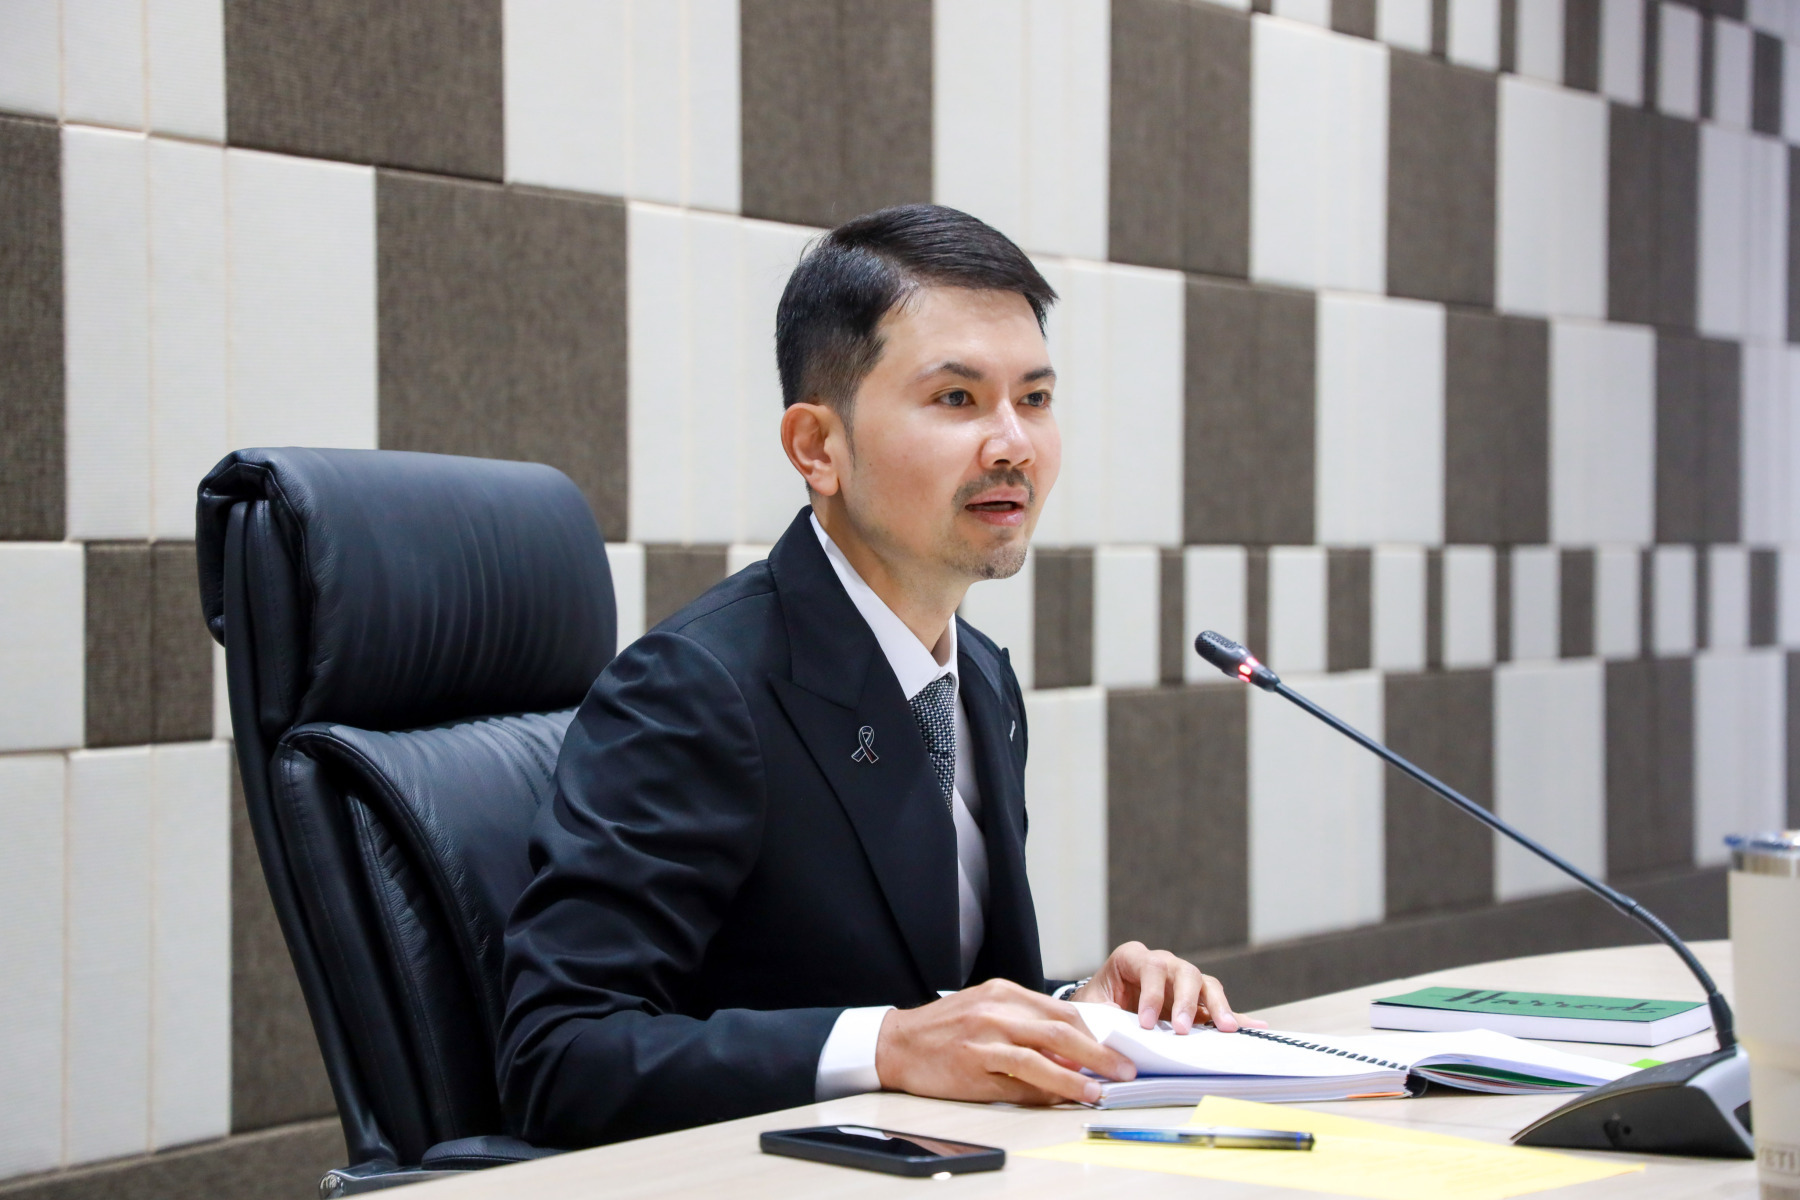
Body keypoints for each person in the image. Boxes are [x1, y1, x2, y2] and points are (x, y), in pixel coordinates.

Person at [498, 204, 1261, 1148]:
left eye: (1034, 398)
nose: (1013, 444)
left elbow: (930, 992)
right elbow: (558, 1056)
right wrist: (888, 1047)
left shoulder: (979, 678)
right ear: (817, 448)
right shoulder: (694, 691)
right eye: (958, 399)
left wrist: (1073, 1011)